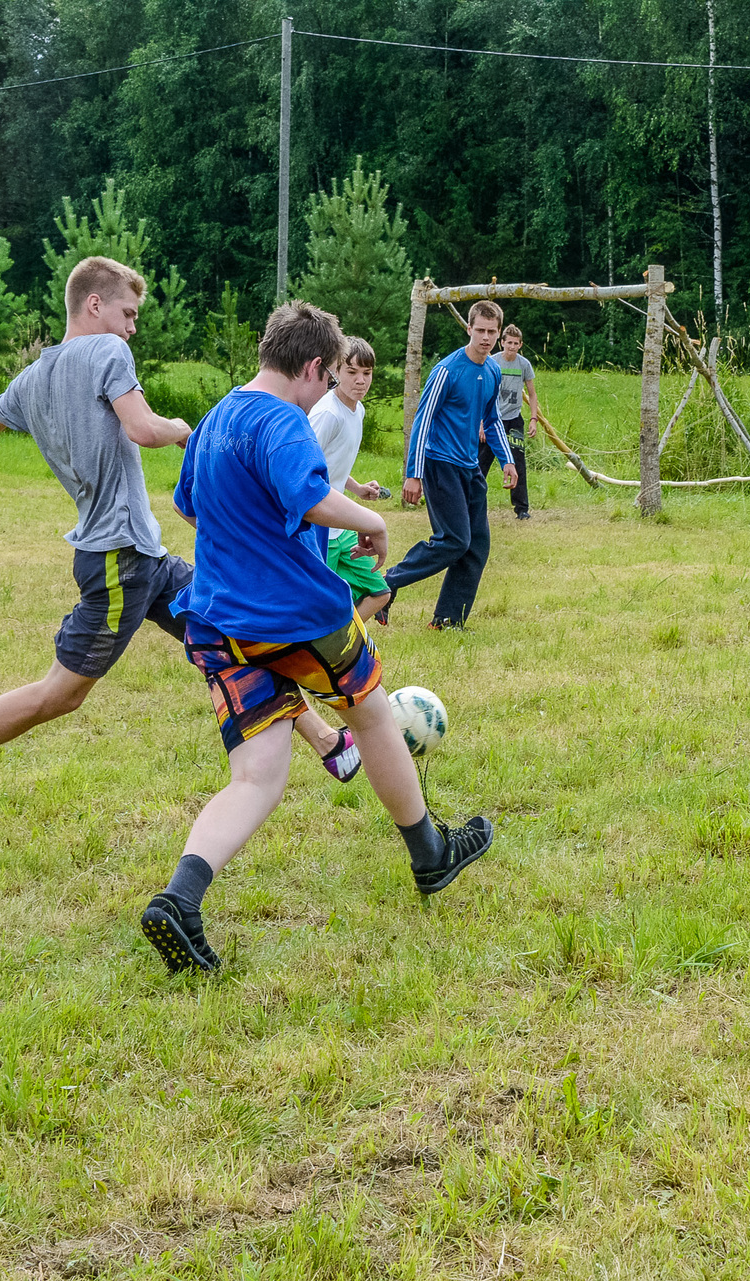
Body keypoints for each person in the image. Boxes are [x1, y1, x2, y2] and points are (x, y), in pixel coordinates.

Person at [0, 258, 364, 848]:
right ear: (94, 305)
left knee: (234, 631)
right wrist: (185, 429)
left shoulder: (30, 379)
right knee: (60, 694)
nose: (133, 327)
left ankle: (325, 739)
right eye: (128, 313)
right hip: (118, 560)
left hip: (143, 555)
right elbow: (142, 428)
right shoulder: (108, 352)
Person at [140, 301, 493, 974]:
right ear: (310, 367)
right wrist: (374, 522)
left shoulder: (216, 418)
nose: (326, 388)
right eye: (328, 376)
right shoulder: (282, 421)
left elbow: (190, 506)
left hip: (219, 622)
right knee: (372, 712)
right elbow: (311, 498)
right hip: (296, 616)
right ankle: (429, 852)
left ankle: (180, 899)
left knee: (256, 776)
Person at [382, 301, 517, 630]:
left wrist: (508, 460)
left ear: (499, 334)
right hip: (440, 464)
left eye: (492, 331)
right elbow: (422, 420)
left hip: (470, 468)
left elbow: (492, 420)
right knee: (455, 539)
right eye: (480, 330)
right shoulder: (446, 371)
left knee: (477, 545)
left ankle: (447, 620)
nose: (485, 337)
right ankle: (386, 584)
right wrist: (413, 474)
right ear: (469, 329)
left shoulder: (493, 371)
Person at [309, 336, 393, 623]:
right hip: (320, 527)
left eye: (367, 373)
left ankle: (347, 640)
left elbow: (331, 465)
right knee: (317, 605)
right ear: (335, 370)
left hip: (341, 526)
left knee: (380, 592)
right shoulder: (327, 413)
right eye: (352, 371)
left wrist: (356, 488)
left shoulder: (359, 410)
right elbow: (303, 467)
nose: (361, 380)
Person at [478, 324, 537, 519]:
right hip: (492, 419)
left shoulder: (524, 365)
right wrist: (480, 423)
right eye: (509, 343)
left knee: (517, 462)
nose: (512, 347)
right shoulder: (492, 362)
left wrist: (533, 419)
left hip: (514, 420)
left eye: (515, 343)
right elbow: (482, 393)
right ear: (502, 343)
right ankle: (471, 502)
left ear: (520, 345)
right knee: (481, 463)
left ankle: (522, 508)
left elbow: (532, 393)